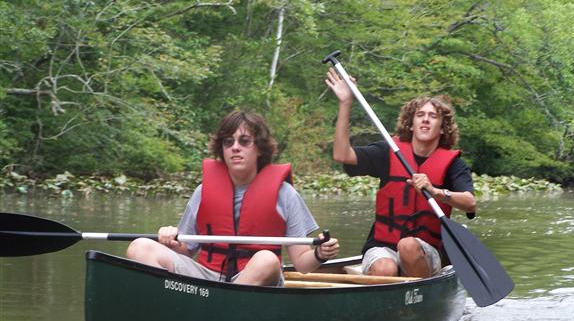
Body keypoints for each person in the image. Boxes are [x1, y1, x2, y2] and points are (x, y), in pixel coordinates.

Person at [126, 110, 339, 286]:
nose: (235, 147)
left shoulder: (285, 194)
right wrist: (169, 238)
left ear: (259, 149)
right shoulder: (203, 191)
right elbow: (186, 251)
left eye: (244, 141)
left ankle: (216, 312)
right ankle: (178, 308)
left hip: (258, 280)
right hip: (207, 278)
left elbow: (302, 264)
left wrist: (321, 253)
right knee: (140, 247)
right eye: (228, 142)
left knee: (266, 259)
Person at [325, 67, 475, 279]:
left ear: (442, 128)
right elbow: (342, 154)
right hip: (382, 247)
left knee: (408, 246)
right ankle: (394, 303)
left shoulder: (454, 164)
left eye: (433, 116)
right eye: (420, 115)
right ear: (411, 125)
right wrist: (345, 103)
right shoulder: (388, 152)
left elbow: (470, 203)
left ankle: (419, 297)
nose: (425, 120)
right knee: (385, 268)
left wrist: (436, 192)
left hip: (428, 251)